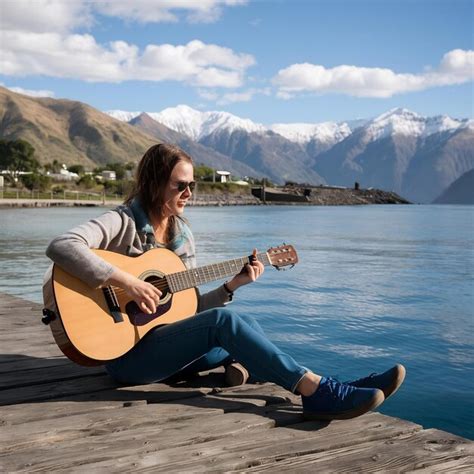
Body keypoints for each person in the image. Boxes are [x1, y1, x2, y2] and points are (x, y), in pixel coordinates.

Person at [43, 143, 406, 421]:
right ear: (155, 184)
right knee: (229, 326)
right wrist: (128, 282)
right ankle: (315, 391)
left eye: (193, 185)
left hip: (160, 346)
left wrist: (233, 286)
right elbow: (61, 246)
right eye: (180, 185)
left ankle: (329, 384)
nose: (189, 193)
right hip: (122, 358)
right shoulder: (121, 221)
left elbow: (188, 311)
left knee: (246, 323)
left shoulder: (181, 236)